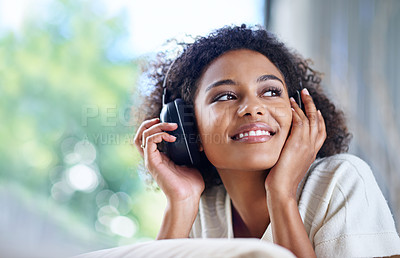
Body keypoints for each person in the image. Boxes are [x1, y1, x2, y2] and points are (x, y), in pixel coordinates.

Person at [133, 24, 400, 258]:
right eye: (225, 96)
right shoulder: (201, 207)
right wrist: (181, 202)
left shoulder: (340, 181)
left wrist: (282, 194)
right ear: (188, 127)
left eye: (271, 91)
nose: (253, 108)